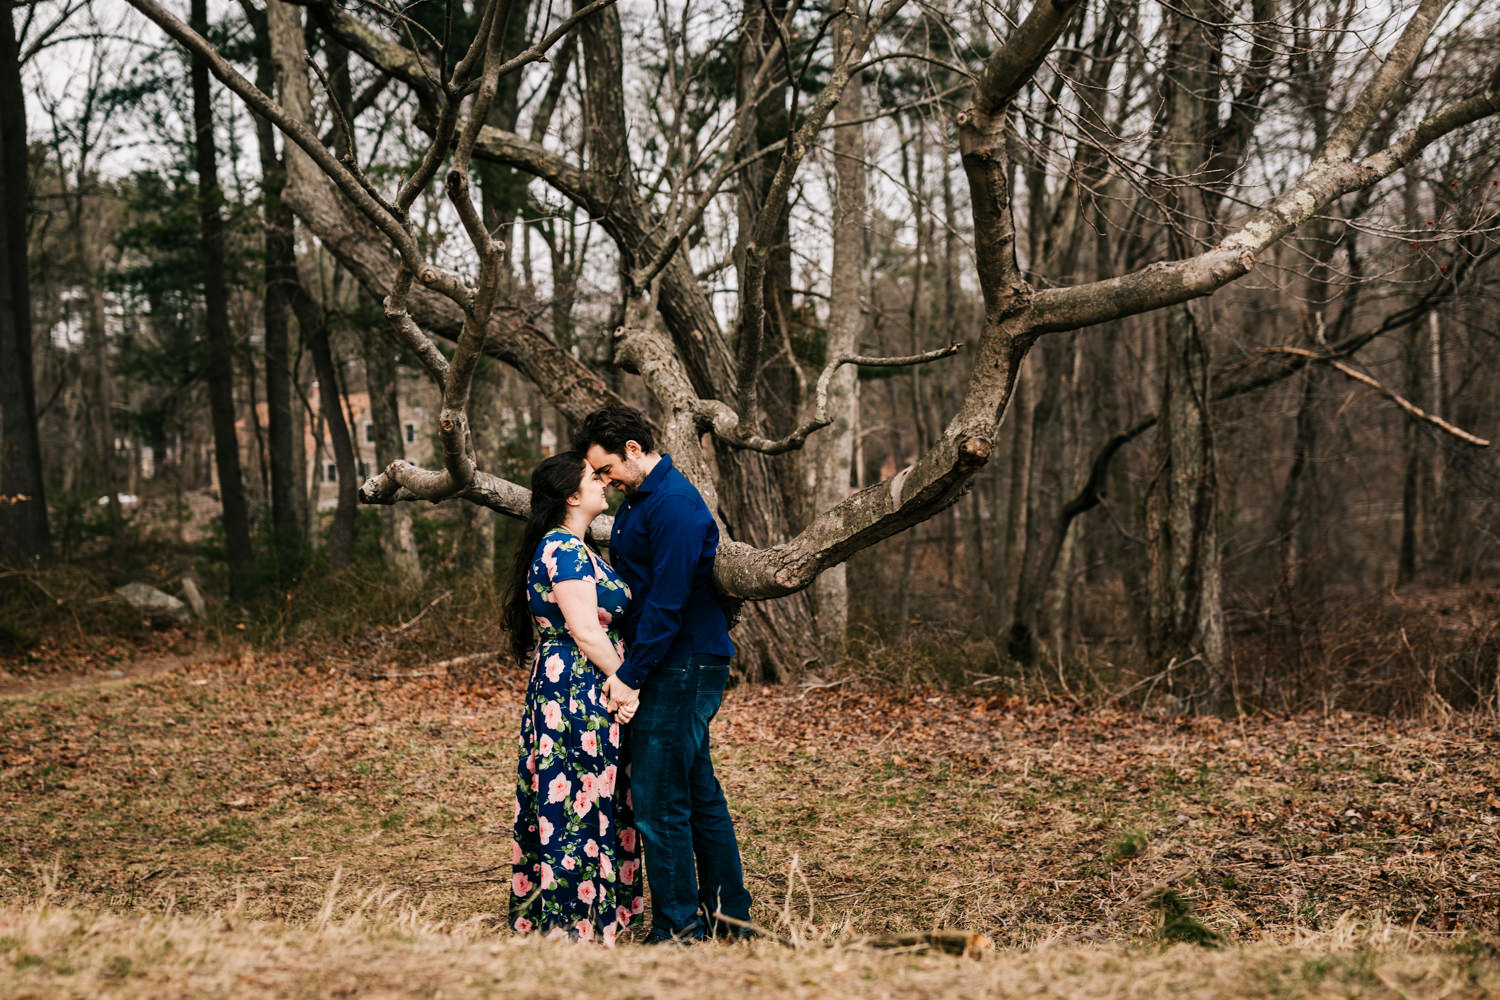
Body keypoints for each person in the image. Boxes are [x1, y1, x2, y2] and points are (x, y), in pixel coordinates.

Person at [574, 405, 754, 943]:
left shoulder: (673, 504)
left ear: (634, 450)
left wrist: (630, 674)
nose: (603, 480)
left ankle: (679, 928)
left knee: (658, 796)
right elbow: (640, 587)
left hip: (684, 662)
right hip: (669, 659)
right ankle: (730, 918)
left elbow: (669, 603)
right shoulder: (640, 501)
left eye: (605, 470)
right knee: (697, 792)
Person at [504, 451, 644, 944]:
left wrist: (620, 682)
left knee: (596, 791)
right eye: (593, 477)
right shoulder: (562, 549)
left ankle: (596, 909)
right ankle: (574, 921)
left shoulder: (580, 549)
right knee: (577, 795)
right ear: (570, 495)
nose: (604, 482)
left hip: (590, 682)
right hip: (578, 686)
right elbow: (585, 630)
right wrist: (625, 682)